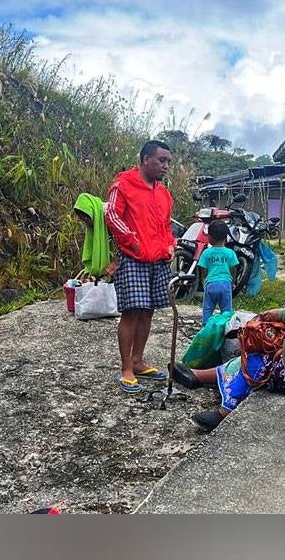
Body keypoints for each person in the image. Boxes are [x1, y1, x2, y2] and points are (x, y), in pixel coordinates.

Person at [173, 278, 285, 431]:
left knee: (264, 359)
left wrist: (282, 314)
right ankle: (200, 376)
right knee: (264, 349)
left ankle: (226, 407)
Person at [104, 140, 176, 394]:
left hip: (157, 260)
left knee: (148, 311)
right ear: (146, 159)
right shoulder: (123, 184)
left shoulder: (163, 193)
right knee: (132, 311)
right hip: (133, 258)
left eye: (168, 161)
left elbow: (166, 226)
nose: (166, 166)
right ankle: (126, 368)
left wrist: (170, 246)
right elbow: (111, 214)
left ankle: (138, 360)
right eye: (161, 160)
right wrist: (132, 242)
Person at [197, 220, 238, 325]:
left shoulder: (206, 253)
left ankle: (206, 328)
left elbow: (203, 269)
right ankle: (226, 331)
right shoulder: (230, 253)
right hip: (225, 284)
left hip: (210, 284)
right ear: (226, 237)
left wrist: (204, 282)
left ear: (210, 238)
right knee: (226, 311)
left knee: (207, 309)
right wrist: (232, 282)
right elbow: (234, 269)